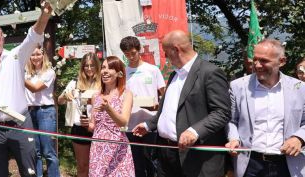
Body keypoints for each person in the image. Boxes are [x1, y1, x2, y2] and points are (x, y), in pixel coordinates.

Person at [0, 1, 53, 177]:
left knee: (29, 173)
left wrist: (44, 14)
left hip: (20, 124)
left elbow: (33, 36)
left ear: (3, 39)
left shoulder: (16, 57)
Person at [133, 30, 231, 177]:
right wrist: (149, 125)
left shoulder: (210, 72)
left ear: (176, 49)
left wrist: (195, 131)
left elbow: (222, 112)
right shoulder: (174, 75)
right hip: (166, 155)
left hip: (196, 158)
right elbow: (167, 109)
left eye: (166, 52)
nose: (165, 57)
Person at [225, 39, 305, 177]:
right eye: (255, 59)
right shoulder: (238, 86)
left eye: (264, 61)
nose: (257, 65)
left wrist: (299, 138)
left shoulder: (300, 88)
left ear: (282, 61)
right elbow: (231, 120)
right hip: (250, 164)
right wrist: (234, 138)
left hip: (289, 165)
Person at [120, 36, 165, 177]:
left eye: (133, 53)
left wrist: (157, 106)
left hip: (150, 124)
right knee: (135, 164)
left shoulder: (152, 70)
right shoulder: (123, 73)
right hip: (130, 125)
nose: (130, 57)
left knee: (153, 163)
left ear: (139, 50)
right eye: (127, 54)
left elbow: (164, 95)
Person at [88, 56, 134, 176]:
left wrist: (108, 109)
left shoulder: (126, 94)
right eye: (103, 67)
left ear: (119, 73)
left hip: (117, 148)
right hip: (98, 148)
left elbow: (124, 122)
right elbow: (92, 126)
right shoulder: (95, 96)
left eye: (110, 68)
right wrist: (86, 123)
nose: (105, 71)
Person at [58, 52, 101, 177]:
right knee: (82, 165)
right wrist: (66, 96)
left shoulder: (102, 84)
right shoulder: (74, 83)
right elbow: (59, 101)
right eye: (86, 66)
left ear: (97, 67)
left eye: (92, 65)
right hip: (80, 128)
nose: (89, 68)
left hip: (99, 127)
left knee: (98, 165)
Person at [24, 45, 59, 177]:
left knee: (48, 151)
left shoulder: (49, 72)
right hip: (30, 112)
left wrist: (20, 78)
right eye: (32, 55)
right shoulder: (27, 73)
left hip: (45, 112)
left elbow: (35, 88)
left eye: (38, 54)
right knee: (35, 151)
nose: (35, 57)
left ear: (43, 55)